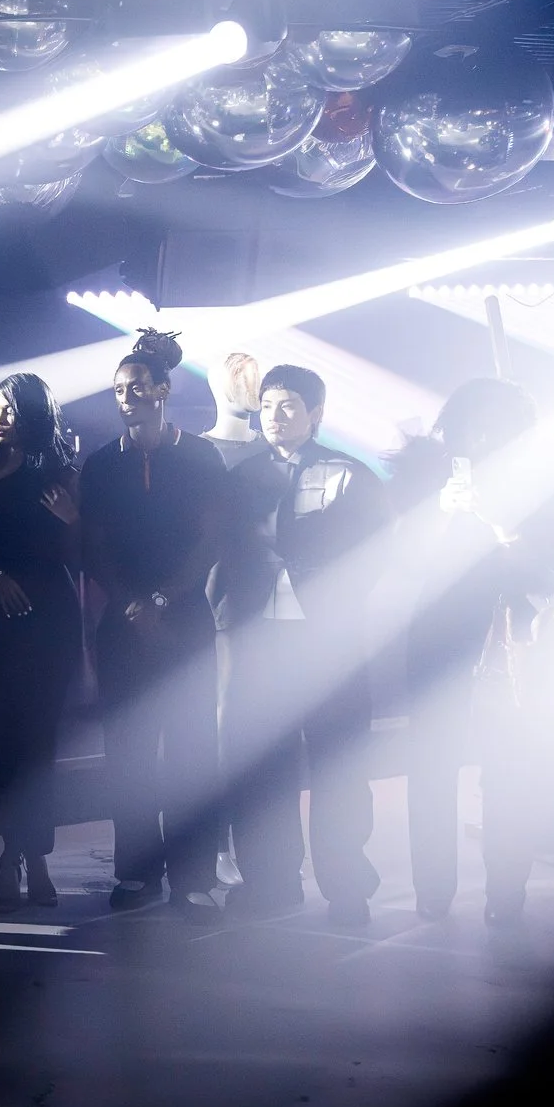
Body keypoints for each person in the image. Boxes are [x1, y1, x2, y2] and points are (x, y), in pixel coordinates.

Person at [215, 362, 388, 924]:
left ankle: (346, 886)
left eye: (288, 405)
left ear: (316, 413)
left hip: (328, 644)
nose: (275, 416)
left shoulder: (351, 475)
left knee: (338, 764)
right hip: (260, 642)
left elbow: (376, 555)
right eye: (267, 405)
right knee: (262, 766)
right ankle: (270, 882)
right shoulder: (241, 478)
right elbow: (223, 557)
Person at [388, 378, 554, 925]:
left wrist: (506, 530)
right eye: (475, 424)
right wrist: (441, 512)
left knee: (510, 764)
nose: (485, 435)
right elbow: (398, 558)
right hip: (442, 632)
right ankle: (433, 888)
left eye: (498, 425)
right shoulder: (424, 471)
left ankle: (506, 892)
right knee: (433, 763)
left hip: (514, 634)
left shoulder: (544, 477)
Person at [77, 330, 225, 918]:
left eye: (136, 386)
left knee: (191, 750)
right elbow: (94, 546)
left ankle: (194, 875)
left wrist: (164, 598)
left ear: (163, 390)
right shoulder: (101, 464)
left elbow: (212, 538)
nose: (127, 396)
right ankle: (136, 874)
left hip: (186, 617)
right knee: (130, 752)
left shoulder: (200, 456)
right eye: (118, 389)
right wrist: (132, 601)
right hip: (123, 622)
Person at [0, 372, 81, 909]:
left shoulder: (62, 476)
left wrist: (74, 520)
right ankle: (9, 856)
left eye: (13, 409)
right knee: (5, 742)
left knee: (41, 744)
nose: (3, 418)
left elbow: (84, 557)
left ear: (35, 414)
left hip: (51, 615)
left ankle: (38, 858)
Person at [204, 350, 263, 466]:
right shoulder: (198, 451)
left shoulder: (273, 446)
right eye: (243, 378)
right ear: (218, 386)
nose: (254, 386)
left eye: (255, 377)